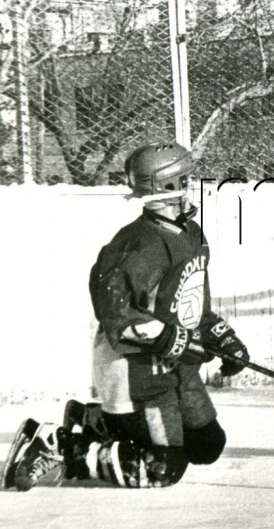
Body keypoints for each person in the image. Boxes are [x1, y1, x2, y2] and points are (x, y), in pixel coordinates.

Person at [3, 142, 249, 491]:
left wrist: (221, 336)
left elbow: (191, 303)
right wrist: (172, 338)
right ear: (166, 185)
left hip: (177, 368)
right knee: (164, 467)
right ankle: (58, 446)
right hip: (138, 371)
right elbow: (116, 314)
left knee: (207, 445)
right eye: (184, 179)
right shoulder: (139, 244)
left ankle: (92, 420)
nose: (190, 185)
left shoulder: (191, 234)